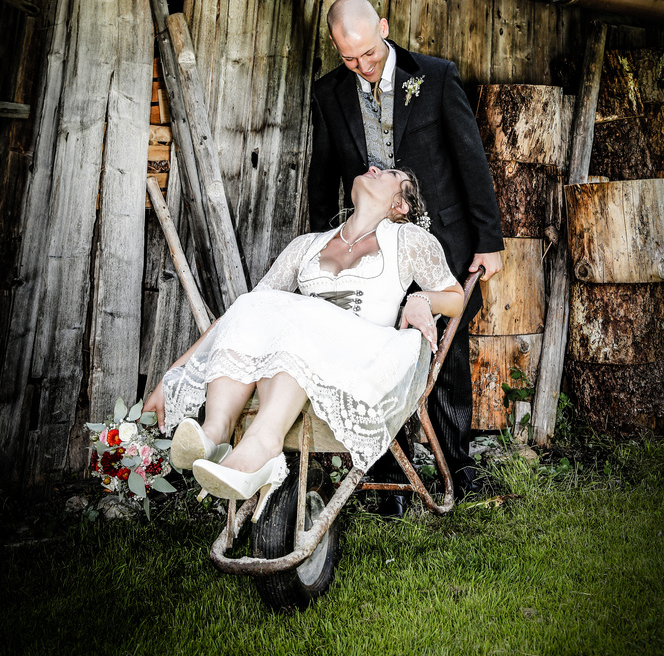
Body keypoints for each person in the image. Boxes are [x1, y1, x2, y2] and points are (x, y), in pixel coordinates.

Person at [143, 167, 463, 517]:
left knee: (300, 321)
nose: (372, 168)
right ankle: (215, 431)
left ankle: (263, 443)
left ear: (400, 205)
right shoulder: (306, 246)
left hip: (361, 360)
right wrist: (174, 372)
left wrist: (423, 300)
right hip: (301, 354)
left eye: (387, 172)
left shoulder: (409, 241)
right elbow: (240, 316)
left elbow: (454, 296)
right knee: (254, 305)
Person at [308, 0, 503, 509]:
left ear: (385, 29)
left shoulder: (435, 76)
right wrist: (321, 246)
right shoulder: (329, 93)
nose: (363, 67)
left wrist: (488, 240)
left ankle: (455, 466)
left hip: (442, 238)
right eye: (350, 59)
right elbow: (323, 175)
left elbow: (470, 159)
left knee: (446, 352)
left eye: (369, 53)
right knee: (375, 346)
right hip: (375, 249)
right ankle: (391, 478)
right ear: (336, 48)